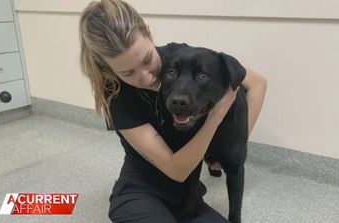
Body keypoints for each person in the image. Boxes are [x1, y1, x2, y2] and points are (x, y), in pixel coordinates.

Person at [79, 0, 267, 222]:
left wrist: (235, 145)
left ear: (148, 33)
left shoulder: (182, 57)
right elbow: (176, 169)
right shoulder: (116, 95)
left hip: (189, 195)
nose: (147, 76)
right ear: (109, 68)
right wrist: (216, 116)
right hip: (142, 191)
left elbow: (257, 84)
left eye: (147, 59)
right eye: (128, 73)